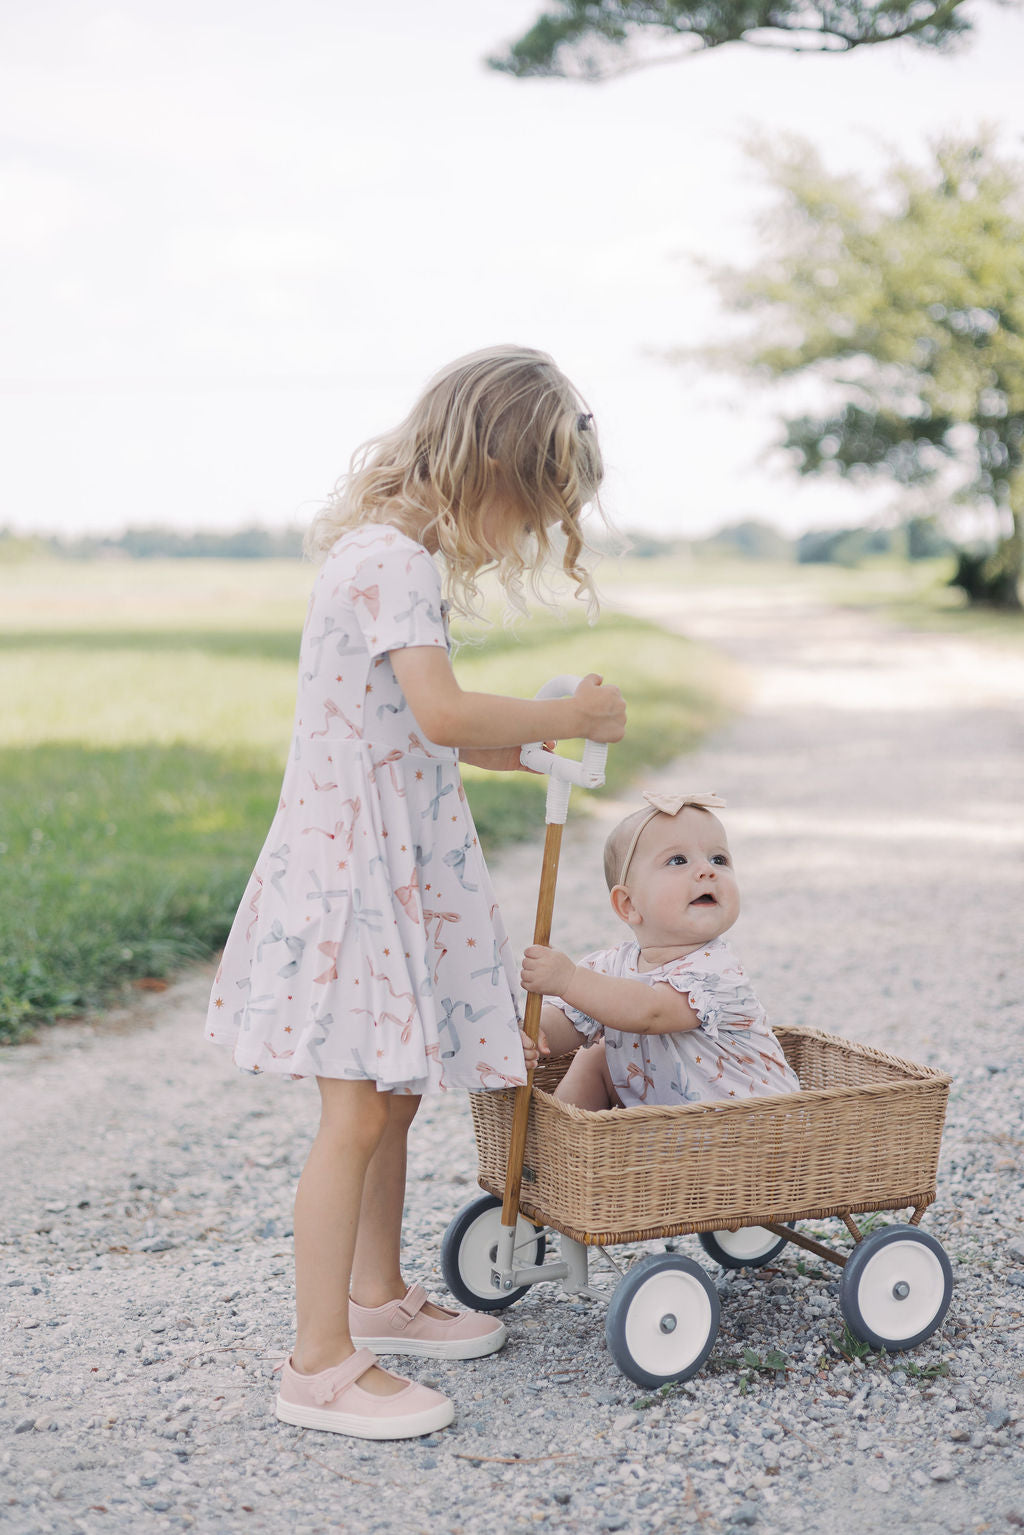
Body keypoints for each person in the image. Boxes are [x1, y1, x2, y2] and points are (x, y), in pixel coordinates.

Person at [204, 345, 626, 1440]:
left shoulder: (389, 556)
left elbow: (417, 734)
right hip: (352, 872)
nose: (527, 532)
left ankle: (375, 1298)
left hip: (378, 856)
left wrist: (529, 749)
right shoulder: (389, 560)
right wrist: (563, 720)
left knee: (391, 1095)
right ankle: (317, 1363)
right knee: (354, 1111)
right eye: (530, 504)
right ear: (488, 462)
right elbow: (440, 712)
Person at [520, 792, 799, 1111]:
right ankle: (562, 1150)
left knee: (606, 1025)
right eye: (678, 860)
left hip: (751, 1126)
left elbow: (651, 1012)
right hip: (673, 1135)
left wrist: (568, 980)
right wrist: (535, 1032)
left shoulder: (717, 970)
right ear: (629, 905)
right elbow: (570, 1021)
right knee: (594, 1055)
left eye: (718, 859)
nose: (707, 870)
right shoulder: (610, 966)